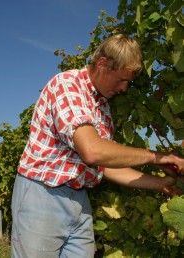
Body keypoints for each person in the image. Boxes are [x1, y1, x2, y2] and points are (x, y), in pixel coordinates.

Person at [11, 34, 184, 258]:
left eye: (128, 83)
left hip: (79, 200)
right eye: (122, 80)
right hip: (43, 195)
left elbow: (105, 165)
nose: (124, 88)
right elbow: (92, 151)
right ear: (102, 64)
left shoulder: (102, 107)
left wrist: (159, 184)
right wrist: (158, 157)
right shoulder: (67, 85)